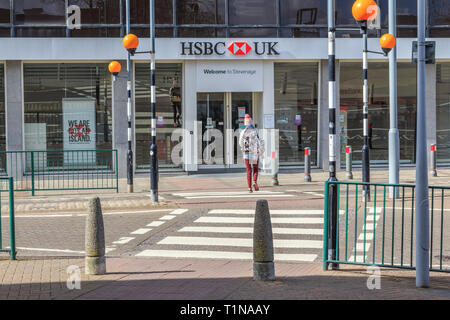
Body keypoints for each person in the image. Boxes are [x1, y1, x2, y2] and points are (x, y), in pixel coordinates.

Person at [239, 114, 263, 193]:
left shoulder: (243, 132)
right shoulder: (255, 131)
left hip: (246, 153)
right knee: (255, 169)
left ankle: (249, 188)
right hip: (255, 153)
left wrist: (243, 149)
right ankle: (254, 182)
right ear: (251, 121)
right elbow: (259, 141)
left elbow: (240, 142)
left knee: (248, 170)